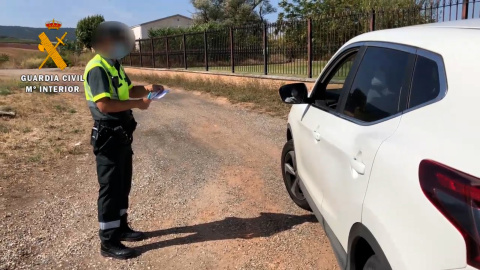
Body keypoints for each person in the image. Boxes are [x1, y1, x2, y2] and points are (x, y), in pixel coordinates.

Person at [83, 21, 164, 259]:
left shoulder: (113, 64)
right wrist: (139, 105)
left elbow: (126, 90)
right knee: (110, 188)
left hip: (122, 133)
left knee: (122, 183)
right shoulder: (97, 67)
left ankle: (121, 227)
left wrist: (148, 88)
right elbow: (104, 103)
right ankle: (108, 242)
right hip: (108, 134)